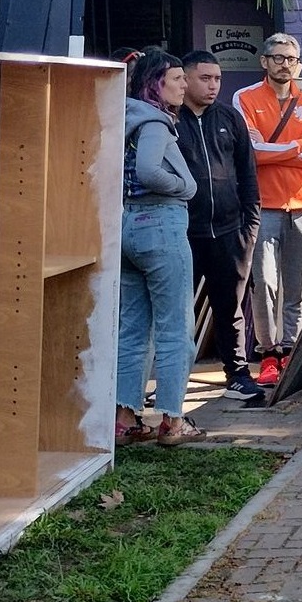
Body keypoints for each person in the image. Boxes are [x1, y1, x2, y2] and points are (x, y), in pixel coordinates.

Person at [117, 48, 204, 446]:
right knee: (175, 329)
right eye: (176, 79)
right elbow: (151, 170)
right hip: (161, 225)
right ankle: (173, 418)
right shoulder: (155, 123)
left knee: (133, 329)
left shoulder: (124, 117)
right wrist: (185, 186)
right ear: (156, 84)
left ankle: (124, 417)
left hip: (127, 224)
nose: (184, 84)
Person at [234, 33, 302, 387]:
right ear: (264, 61)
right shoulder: (245, 98)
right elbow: (252, 153)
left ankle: (292, 350)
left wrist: (278, 150)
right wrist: (296, 147)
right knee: (266, 286)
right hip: (264, 206)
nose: (284, 64)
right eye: (277, 57)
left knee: (297, 287)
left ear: (298, 63)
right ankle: (268, 354)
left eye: (290, 58)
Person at [176, 50, 263, 404]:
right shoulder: (169, 120)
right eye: (205, 78)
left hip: (230, 232)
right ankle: (170, 382)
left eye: (217, 79)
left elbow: (248, 175)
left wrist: (250, 227)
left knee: (230, 307)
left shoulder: (230, 118)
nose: (213, 86)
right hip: (184, 232)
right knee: (176, 309)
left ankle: (238, 375)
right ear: (186, 79)